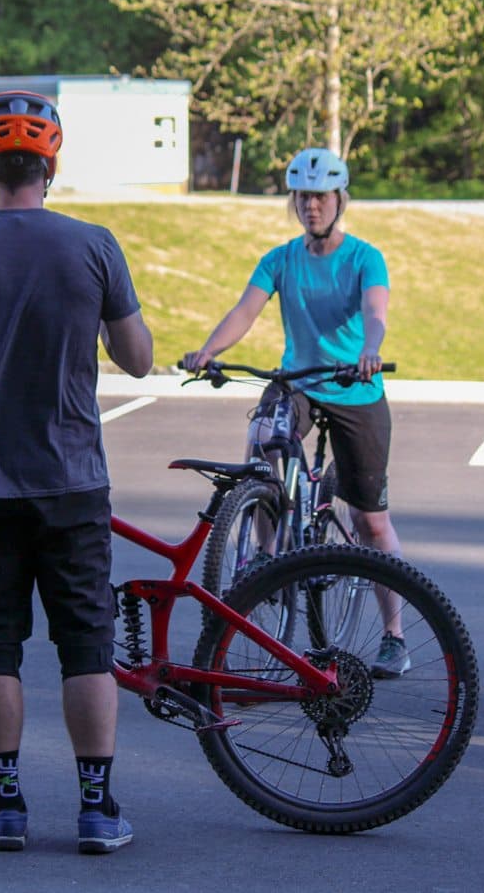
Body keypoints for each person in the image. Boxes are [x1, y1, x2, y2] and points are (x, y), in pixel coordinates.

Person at [0, 91, 153, 855]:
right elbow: (137, 358)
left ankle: (6, 805)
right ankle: (97, 807)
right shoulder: (93, 244)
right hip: (73, 479)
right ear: (51, 164)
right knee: (85, 646)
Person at [181, 146, 410, 679]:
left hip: (355, 387)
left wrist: (368, 352)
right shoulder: (280, 259)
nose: (311, 206)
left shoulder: (363, 258)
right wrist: (209, 350)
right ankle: (266, 553)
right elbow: (245, 310)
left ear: (339, 200)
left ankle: (394, 635)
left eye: (321, 196)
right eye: (303, 197)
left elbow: (376, 312)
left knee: (371, 522)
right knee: (264, 437)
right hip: (301, 382)